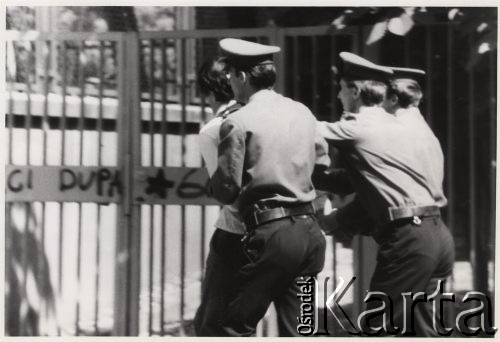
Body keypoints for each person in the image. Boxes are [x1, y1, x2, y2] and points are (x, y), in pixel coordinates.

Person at [316, 52, 455, 336]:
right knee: (423, 331)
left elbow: (301, 129)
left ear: (354, 91)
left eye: (341, 90)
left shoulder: (359, 127)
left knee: (377, 329)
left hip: (409, 238)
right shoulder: (408, 130)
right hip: (435, 234)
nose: (339, 97)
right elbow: (374, 185)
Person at [209, 38, 329, 336]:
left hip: (272, 235)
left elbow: (227, 188)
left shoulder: (236, 122)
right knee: (299, 329)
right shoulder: (303, 113)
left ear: (242, 77)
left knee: (232, 326)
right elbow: (323, 165)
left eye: (231, 76)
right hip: (310, 233)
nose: (230, 82)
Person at [193, 57, 247, 336]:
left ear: (209, 91)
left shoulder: (214, 129)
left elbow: (227, 193)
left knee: (211, 323)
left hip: (237, 232)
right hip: (290, 229)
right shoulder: (263, 116)